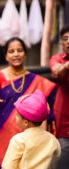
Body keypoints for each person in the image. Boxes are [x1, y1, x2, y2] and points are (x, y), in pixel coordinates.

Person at [0, 37, 56, 169]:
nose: (16, 54)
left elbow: (47, 100)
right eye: (11, 51)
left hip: (24, 131)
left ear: (25, 54)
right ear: (6, 56)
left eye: (19, 50)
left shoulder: (36, 80)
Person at [2, 90, 61, 169]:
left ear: (26, 122)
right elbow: (54, 162)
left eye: (17, 115)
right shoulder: (53, 140)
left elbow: (8, 166)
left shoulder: (18, 140)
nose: (15, 117)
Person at [50, 25, 69, 169]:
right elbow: (58, 71)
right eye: (65, 39)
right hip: (64, 124)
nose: (68, 42)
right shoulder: (57, 59)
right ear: (61, 43)